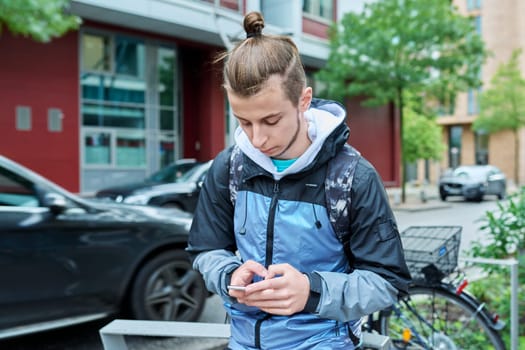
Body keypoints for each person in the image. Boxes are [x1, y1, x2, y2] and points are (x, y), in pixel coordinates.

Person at [187, 11, 411, 350]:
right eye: (244, 122)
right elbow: (206, 249)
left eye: (271, 120)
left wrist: (311, 291)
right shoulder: (229, 166)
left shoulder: (353, 178)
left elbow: (387, 282)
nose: (257, 138)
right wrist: (228, 275)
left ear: (303, 100)